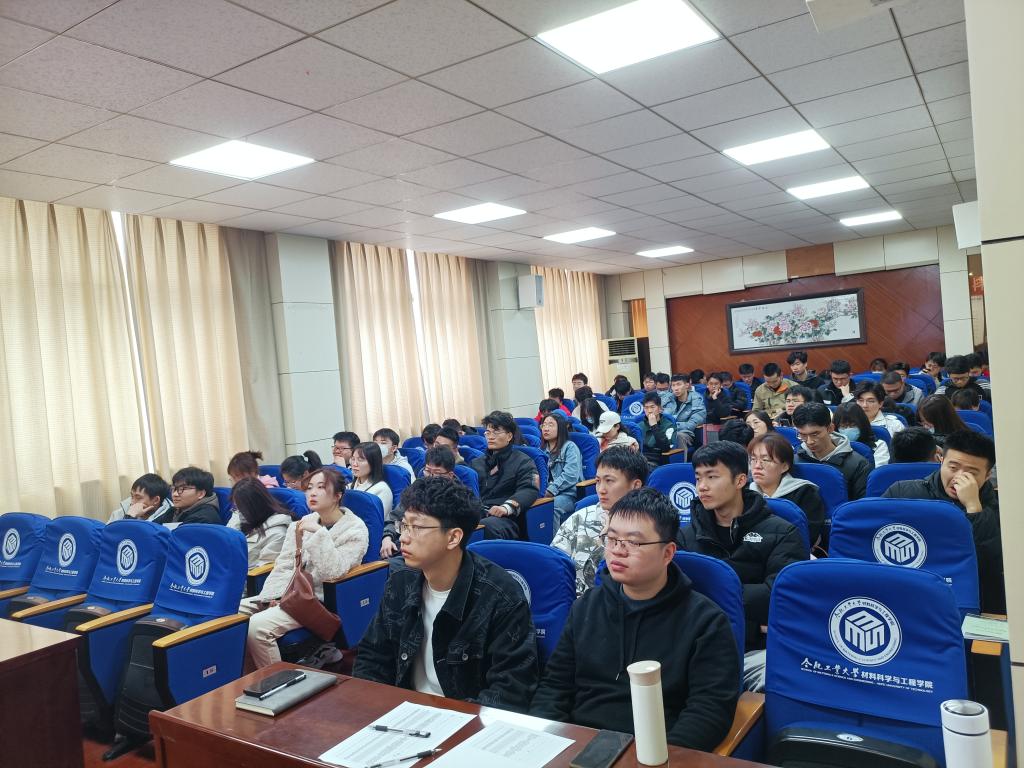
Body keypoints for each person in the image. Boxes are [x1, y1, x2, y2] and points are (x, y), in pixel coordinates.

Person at [532, 488, 739, 751]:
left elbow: (709, 711)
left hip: (657, 752)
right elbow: (554, 687)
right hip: (580, 746)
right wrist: (550, 744)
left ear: (667, 553)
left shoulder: (705, 622)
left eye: (633, 543)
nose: (618, 551)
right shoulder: (586, 607)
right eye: (612, 539)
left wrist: (658, 757)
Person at [355, 477, 539, 710]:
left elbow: (510, 691)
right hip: (404, 713)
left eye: (417, 527)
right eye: (404, 525)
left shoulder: (501, 597)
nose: (404, 537)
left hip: (466, 719)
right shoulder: (400, 582)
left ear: (453, 537)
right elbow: (372, 658)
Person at [678, 442, 807, 649]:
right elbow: (678, 596)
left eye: (712, 477)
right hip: (697, 641)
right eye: (698, 478)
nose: (702, 486)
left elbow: (778, 597)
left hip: (758, 648)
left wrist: (709, 595)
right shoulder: (685, 536)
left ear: (740, 480)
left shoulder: (782, 533)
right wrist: (753, 623)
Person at [239, 467, 368, 668]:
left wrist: (319, 534)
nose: (312, 493)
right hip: (289, 593)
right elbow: (284, 565)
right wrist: (273, 597)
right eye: (309, 488)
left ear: (337, 495)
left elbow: (334, 572)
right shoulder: (300, 524)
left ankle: (277, 682)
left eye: (320, 487)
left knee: (257, 627)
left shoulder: (355, 530)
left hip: (318, 600)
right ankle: (252, 676)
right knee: (233, 615)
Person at [883, 430, 1003, 612]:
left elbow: (989, 567)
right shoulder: (901, 493)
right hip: (909, 590)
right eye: (953, 468)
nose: (958, 478)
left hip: (967, 600)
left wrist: (974, 508)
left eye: (971, 473)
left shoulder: (1001, 511)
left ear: (987, 476)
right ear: (941, 460)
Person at [551, 447, 648, 596]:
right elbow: (554, 567)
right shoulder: (580, 518)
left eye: (609, 481)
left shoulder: (650, 527)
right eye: (598, 481)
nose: (601, 489)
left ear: (635, 486)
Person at [747, 433, 826, 546]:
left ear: (784, 466)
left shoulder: (805, 492)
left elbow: (808, 535)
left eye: (766, 460)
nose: (757, 466)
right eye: (753, 459)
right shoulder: (745, 493)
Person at [471, 411, 540, 540]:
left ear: (509, 436)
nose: (490, 437)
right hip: (479, 513)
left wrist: (507, 507)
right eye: (488, 433)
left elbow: (529, 489)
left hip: (507, 518)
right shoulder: (476, 463)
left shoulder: (523, 461)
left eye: (496, 432)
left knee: (485, 526)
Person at [381, 446, 461, 556]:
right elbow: (394, 519)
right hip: (404, 542)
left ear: (450, 475)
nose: (431, 477)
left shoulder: (458, 496)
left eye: (437, 473)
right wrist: (387, 537)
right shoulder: (416, 489)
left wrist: (410, 529)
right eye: (427, 471)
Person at [793, 403, 871, 500]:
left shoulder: (858, 464)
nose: (809, 441)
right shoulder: (794, 461)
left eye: (815, 434)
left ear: (830, 428)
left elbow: (860, 504)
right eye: (803, 435)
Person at [228, 477, 293, 568]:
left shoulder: (277, 534)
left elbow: (262, 571)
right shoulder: (241, 518)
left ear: (255, 507)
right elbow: (225, 542)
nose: (238, 513)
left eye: (241, 508)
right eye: (236, 507)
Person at [348, 442, 395, 557]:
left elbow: (375, 525)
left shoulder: (381, 489)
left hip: (366, 540)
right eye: (353, 459)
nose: (354, 464)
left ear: (373, 462)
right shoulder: (349, 487)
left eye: (360, 460)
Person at [539, 413, 584, 523]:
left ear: (561, 428)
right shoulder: (541, 450)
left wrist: (550, 490)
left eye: (550, 425)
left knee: (551, 507)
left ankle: (555, 535)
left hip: (568, 494)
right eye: (544, 425)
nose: (546, 429)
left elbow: (570, 475)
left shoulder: (570, 447)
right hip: (546, 492)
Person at [834, 401, 889, 467]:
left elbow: (877, 471)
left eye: (853, 425)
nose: (848, 429)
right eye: (843, 426)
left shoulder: (878, 445)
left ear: (862, 424)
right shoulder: (831, 446)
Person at [107, 473, 173, 524]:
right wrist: (129, 516)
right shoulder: (123, 511)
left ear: (156, 500)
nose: (132, 502)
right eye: (132, 496)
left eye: (138, 498)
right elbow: (108, 535)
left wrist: (130, 517)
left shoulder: (170, 517)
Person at [665, 373, 706, 448]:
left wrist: (672, 426)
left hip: (686, 434)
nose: (676, 388)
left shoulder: (696, 399)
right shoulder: (668, 399)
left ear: (687, 385)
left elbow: (692, 424)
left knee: (677, 436)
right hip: (667, 431)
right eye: (673, 385)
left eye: (679, 384)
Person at [637, 392, 677, 467]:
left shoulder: (669, 425)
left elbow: (665, 448)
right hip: (639, 459)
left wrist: (654, 426)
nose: (649, 411)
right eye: (646, 408)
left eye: (652, 407)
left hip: (656, 460)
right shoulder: (639, 426)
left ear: (660, 409)